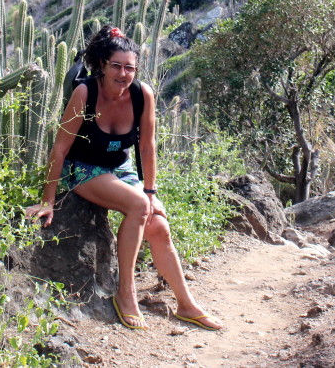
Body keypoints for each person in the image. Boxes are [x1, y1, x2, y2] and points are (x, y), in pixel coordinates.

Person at [25, 25, 222, 331]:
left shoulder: (143, 94)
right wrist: (48, 200)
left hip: (120, 168)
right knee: (138, 206)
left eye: (130, 67)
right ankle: (125, 293)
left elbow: (146, 145)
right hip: (83, 168)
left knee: (159, 225)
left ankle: (186, 303)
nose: (123, 73)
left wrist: (151, 192)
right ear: (101, 65)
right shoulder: (85, 92)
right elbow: (60, 148)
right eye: (116, 66)